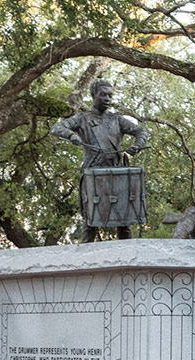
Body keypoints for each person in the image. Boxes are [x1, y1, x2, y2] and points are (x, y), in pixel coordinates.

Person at [50, 79, 151, 243]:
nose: (107, 99)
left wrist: (137, 145)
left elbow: (142, 132)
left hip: (117, 175)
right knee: (90, 222)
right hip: (93, 174)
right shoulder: (82, 119)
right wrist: (72, 135)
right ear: (93, 95)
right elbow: (57, 128)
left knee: (124, 223)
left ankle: (129, 259)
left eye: (110, 95)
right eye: (103, 94)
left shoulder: (117, 120)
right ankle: (85, 262)